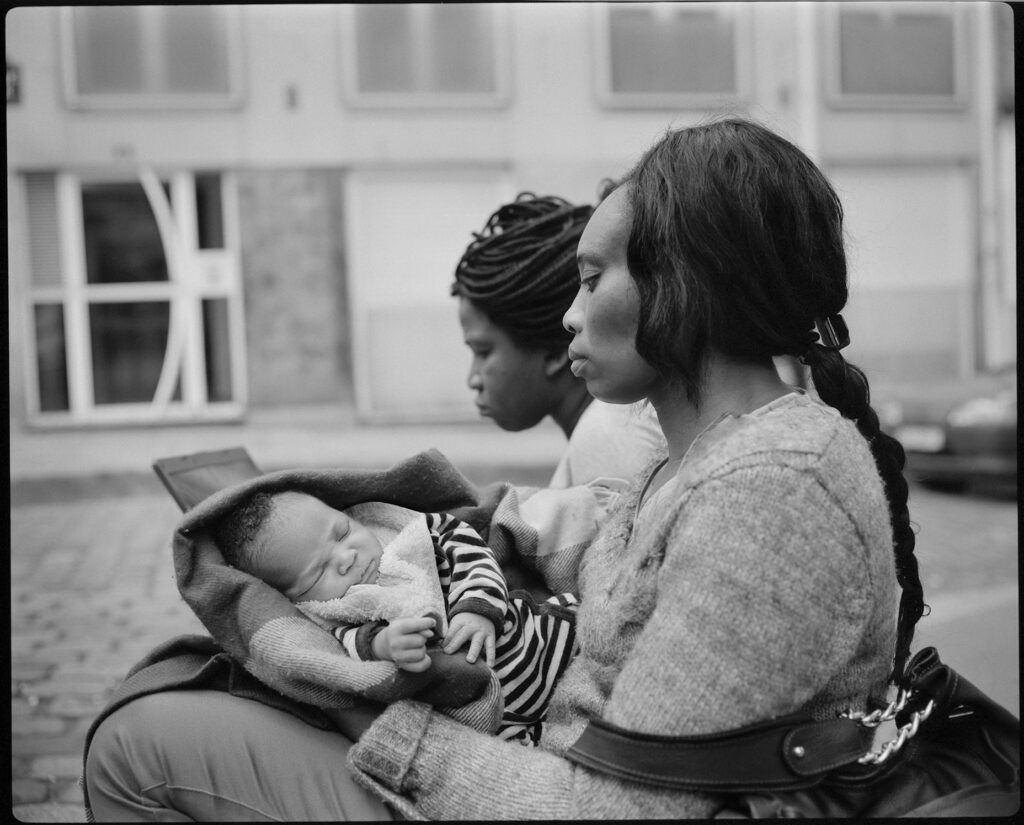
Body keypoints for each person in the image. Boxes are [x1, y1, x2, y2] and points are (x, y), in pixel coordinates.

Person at [86, 118, 925, 819]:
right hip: (528, 750)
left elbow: (621, 811)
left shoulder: (770, 490)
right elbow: (595, 579)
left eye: (591, 279)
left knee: (136, 741)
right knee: (199, 686)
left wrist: (357, 709)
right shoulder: (705, 459)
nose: (568, 313)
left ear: (684, 286)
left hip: (535, 784)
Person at [211, 489, 578, 744]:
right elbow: (355, 646)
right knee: (533, 747)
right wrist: (387, 645)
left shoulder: (410, 540)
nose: (347, 556)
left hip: (539, 634)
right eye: (319, 571)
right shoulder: (339, 613)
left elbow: (468, 547)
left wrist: (478, 608)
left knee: (585, 618)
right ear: (295, 599)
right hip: (503, 711)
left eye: (342, 532)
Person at [452, 191, 664, 491]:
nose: (473, 378)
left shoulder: (607, 436)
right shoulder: (608, 423)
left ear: (554, 352)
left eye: (484, 351)